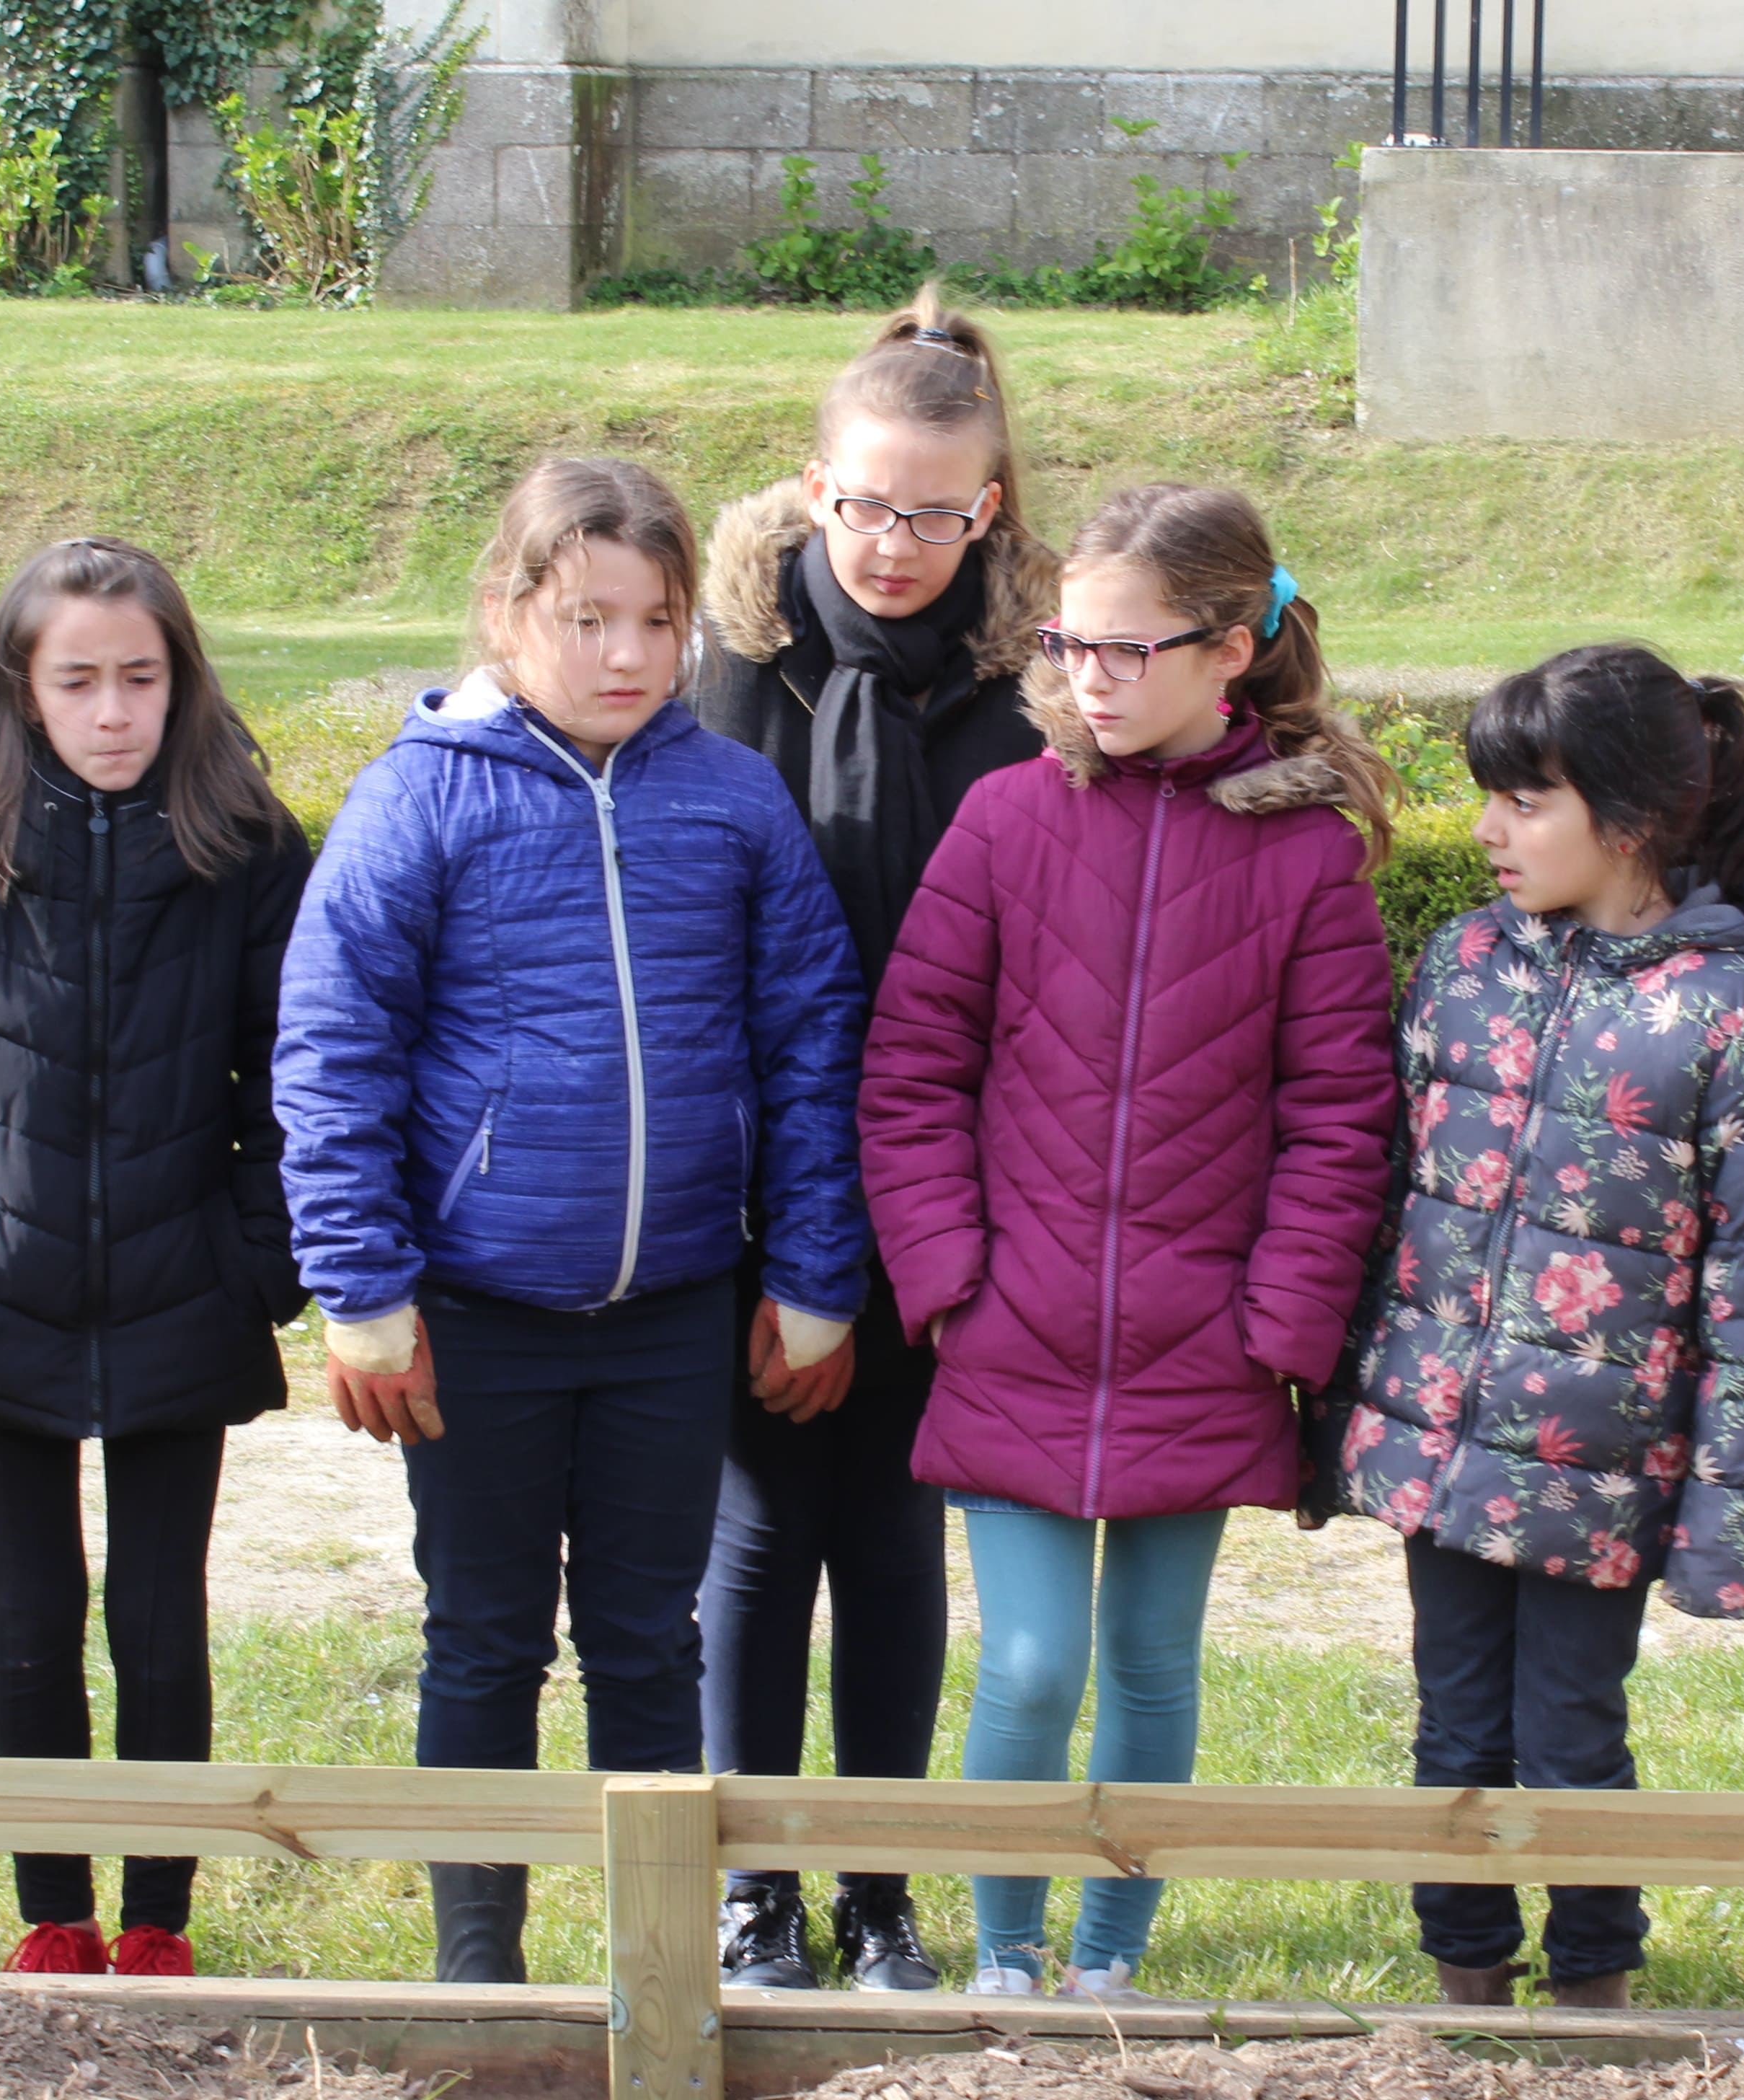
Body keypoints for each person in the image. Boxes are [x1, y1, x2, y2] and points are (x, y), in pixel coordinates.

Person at [272, 458, 869, 1986]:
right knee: (483, 1639)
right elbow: (333, 1051)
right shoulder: (418, 798)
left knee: (648, 1641)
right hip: (476, 1318)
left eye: (658, 621)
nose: (627, 654)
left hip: (673, 1312)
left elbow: (813, 1040)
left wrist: (816, 1274)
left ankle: (656, 1975)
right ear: (505, 611)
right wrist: (362, 1294)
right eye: (587, 617)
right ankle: (478, 1970)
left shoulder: (732, 798)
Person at [858, 482, 1403, 1999]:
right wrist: (949, 1285)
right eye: (1067, 643)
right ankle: (1006, 1956)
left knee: (1155, 1665)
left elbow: (1339, 1119)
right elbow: (911, 1071)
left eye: (1123, 648)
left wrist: (1275, 1329)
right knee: (1033, 1664)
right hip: (1011, 1331)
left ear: (1228, 649)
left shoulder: (1309, 856)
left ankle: (1111, 1961)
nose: (1086, 677)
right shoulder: (1005, 817)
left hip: (1204, 1346)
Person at [1303, 643, 1744, 2011]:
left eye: (1525, 800)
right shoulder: (1463, 963)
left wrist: (1732, 1529)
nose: (1488, 828)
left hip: (1602, 1473)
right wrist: (1339, 1416)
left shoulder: (1737, 1015)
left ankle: (1597, 1996)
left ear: (1632, 817)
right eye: (1491, 795)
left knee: (1572, 1737)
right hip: (1439, 1445)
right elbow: (1387, 1198)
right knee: (1453, 1728)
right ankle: (1466, 1990)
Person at [0, 536, 314, 1980]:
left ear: (182, 681)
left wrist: (257, 1258)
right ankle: (53, 1909)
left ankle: (159, 1915)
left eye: (141, 679)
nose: (113, 712)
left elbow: (292, 1066)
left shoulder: (246, 845)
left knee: (161, 1623)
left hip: (184, 1286)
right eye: (79, 681)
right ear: (19, 687)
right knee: (31, 1618)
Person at [689, 284, 1054, 1993]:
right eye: (862, 505)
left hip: (946, 1185)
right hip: (747, 1174)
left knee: (896, 1541)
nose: (893, 546)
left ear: (989, 507)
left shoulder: (1034, 689)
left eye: (932, 515)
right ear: (812, 481)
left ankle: (881, 1888)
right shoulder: (726, 668)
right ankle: (754, 1885)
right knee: (761, 1535)